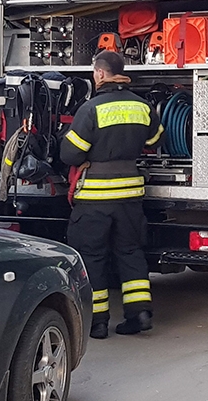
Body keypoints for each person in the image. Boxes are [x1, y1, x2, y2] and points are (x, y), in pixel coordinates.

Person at [60, 50, 163, 339]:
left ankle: (97, 322)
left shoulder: (91, 109)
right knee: (130, 252)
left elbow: (70, 154)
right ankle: (139, 314)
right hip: (130, 196)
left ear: (100, 73)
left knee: (92, 256)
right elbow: (156, 139)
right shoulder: (142, 106)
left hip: (95, 198)